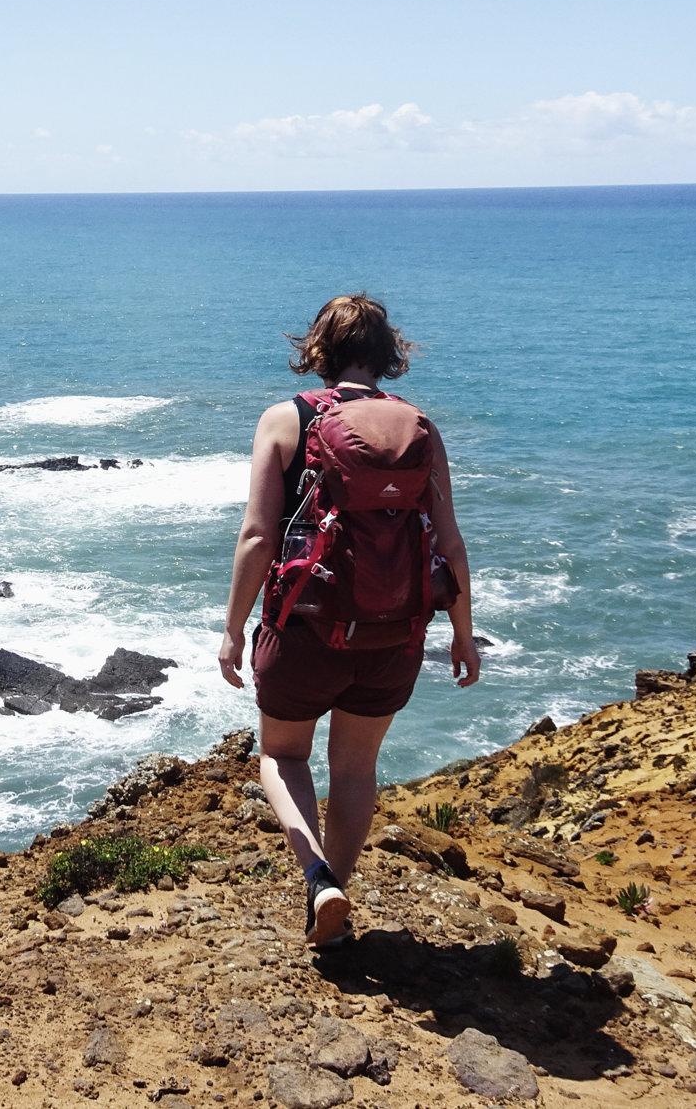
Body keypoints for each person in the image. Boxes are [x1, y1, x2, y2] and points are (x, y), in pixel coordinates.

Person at [217, 294, 480, 947]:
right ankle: (335, 905)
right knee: (356, 767)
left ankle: (317, 879)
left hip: (304, 630)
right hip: (395, 637)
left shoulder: (286, 421)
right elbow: (450, 542)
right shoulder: (420, 426)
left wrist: (231, 629)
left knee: (281, 754)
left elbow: (256, 536)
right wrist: (463, 633)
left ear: (318, 353)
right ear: (388, 355)